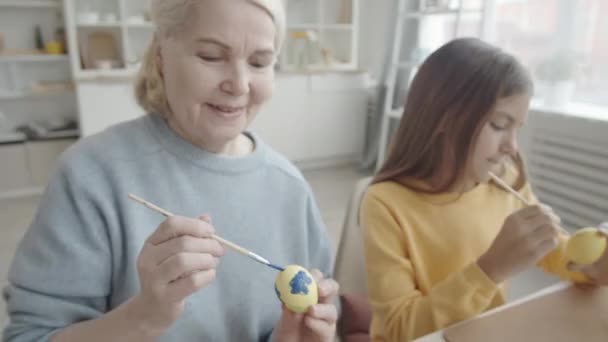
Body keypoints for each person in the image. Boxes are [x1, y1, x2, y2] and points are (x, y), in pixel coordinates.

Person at [2, 0, 339, 341]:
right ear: (161, 55)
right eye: (211, 56)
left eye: (259, 62)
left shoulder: (290, 189)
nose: (239, 84)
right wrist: (144, 317)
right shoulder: (91, 177)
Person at [360, 38, 608, 341]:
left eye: (517, 128)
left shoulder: (505, 180)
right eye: (500, 125)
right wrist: (490, 269)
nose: (512, 146)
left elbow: (551, 248)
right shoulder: (385, 204)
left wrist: (588, 266)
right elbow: (399, 330)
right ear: (444, 118)